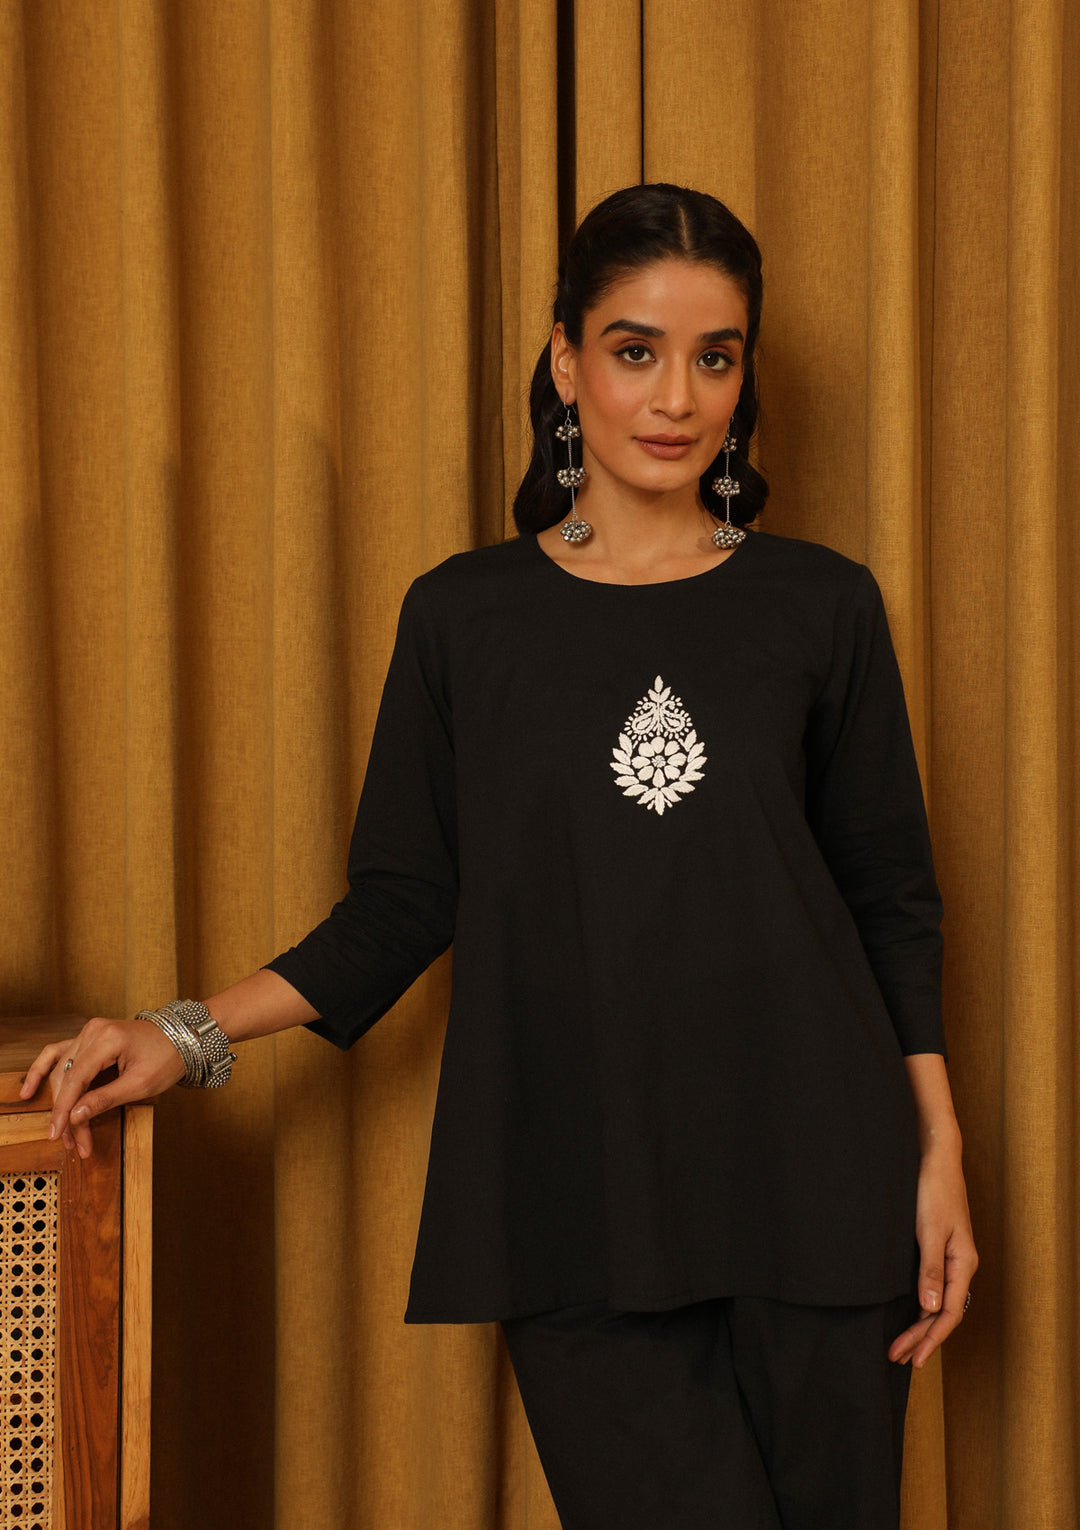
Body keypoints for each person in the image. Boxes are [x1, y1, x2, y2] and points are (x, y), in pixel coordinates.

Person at [23, 183, 978, 1530]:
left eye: (715, 357)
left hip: (818, 1179)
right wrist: (183, 1034)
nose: (677, 397)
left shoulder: (821, 603)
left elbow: (890, 899)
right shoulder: (466, 617)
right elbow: (403, 902)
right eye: (637, 350)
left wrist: (939, 1155)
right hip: (571, 1189)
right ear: (566, 360)